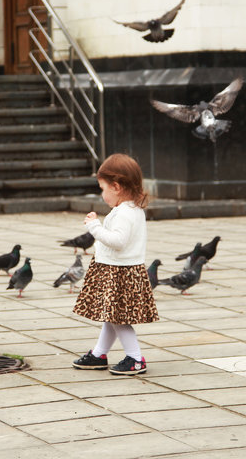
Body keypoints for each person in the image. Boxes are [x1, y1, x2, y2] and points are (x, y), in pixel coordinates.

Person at [72, 153, 158, 376]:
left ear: (117, 186)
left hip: (119, 272)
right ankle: (99, 354)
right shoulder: (129, 210)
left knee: (118, 318)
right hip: (118, 269)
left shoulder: (125, 214)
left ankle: (136, 358)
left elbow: (118, 242)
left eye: (103, 188)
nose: (102, 194)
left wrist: (94, 228)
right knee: (111, 316)